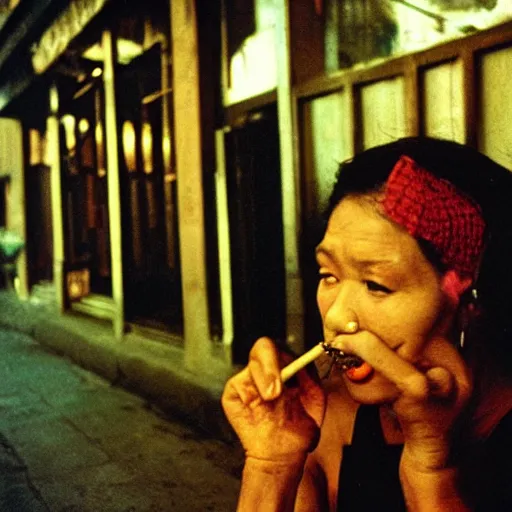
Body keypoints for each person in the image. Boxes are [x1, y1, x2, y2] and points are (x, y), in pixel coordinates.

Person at [221, 137, 512, 511]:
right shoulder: (326, 424)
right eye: (329, 275)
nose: (337, 316)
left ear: (473, 302)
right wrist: (270, 463)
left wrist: (431, 471)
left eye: (376, 284)